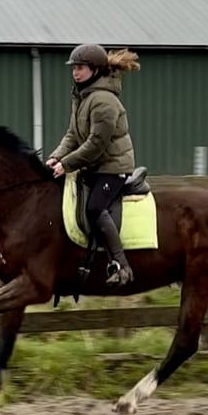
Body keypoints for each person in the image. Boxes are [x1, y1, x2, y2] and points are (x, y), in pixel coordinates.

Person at [46, 43, 140, 287]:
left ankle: (121, 265)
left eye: (81, 68)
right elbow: (72, 134)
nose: (75, 72)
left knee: (95, 208)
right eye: (74, 68)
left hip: (113, 167)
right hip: (94, 166)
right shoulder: (81, 96)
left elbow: (96, 144)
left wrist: (66, 164)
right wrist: (56, 156)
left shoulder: (104, 101)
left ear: (96, 70)